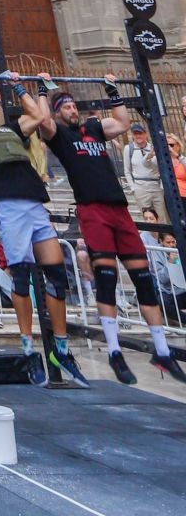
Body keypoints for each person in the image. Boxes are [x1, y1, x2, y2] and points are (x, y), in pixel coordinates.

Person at [37, 75, 186, 385]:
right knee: (106, 277)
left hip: (119, 210)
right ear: (57, 112)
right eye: (64, 106)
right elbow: (42, 120)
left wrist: (113, 90)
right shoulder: (59, 136)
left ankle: (161, 350)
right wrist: (42, 89)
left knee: (144, 279)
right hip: (93, 210)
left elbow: (121, 121)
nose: (71, 109)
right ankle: (115, 350)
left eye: (73, 105)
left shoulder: (93, 128)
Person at [0, 71, 87, 386]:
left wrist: (17, 86)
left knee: (56, 274)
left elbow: (39, 115)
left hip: (34, 203)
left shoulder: (15, 128)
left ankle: (61, 348)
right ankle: (28, 346)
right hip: (9, 206)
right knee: (22, 273)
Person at [123, 120, 168, 222]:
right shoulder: (128, 148)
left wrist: (161, 186)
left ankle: (165, 237)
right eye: (135, 133)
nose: (138, 136)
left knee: (162, 218)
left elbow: (161, 168)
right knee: (147, 219)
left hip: (156, 187)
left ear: (146, 134)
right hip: (140, 189)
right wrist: (133, 188)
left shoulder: (153, 148)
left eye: (140, 133)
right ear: (132, 135)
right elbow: (127, 171)